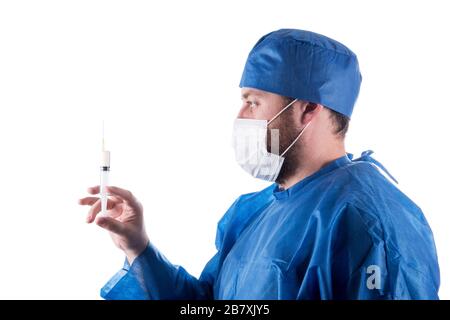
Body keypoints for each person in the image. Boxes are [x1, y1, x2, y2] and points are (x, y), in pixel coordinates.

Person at [79, 29, 440, 299]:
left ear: (308, 108)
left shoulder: (368, 221)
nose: (240, 115)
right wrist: (138, 247)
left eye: (253, 102)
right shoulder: (253, 213)